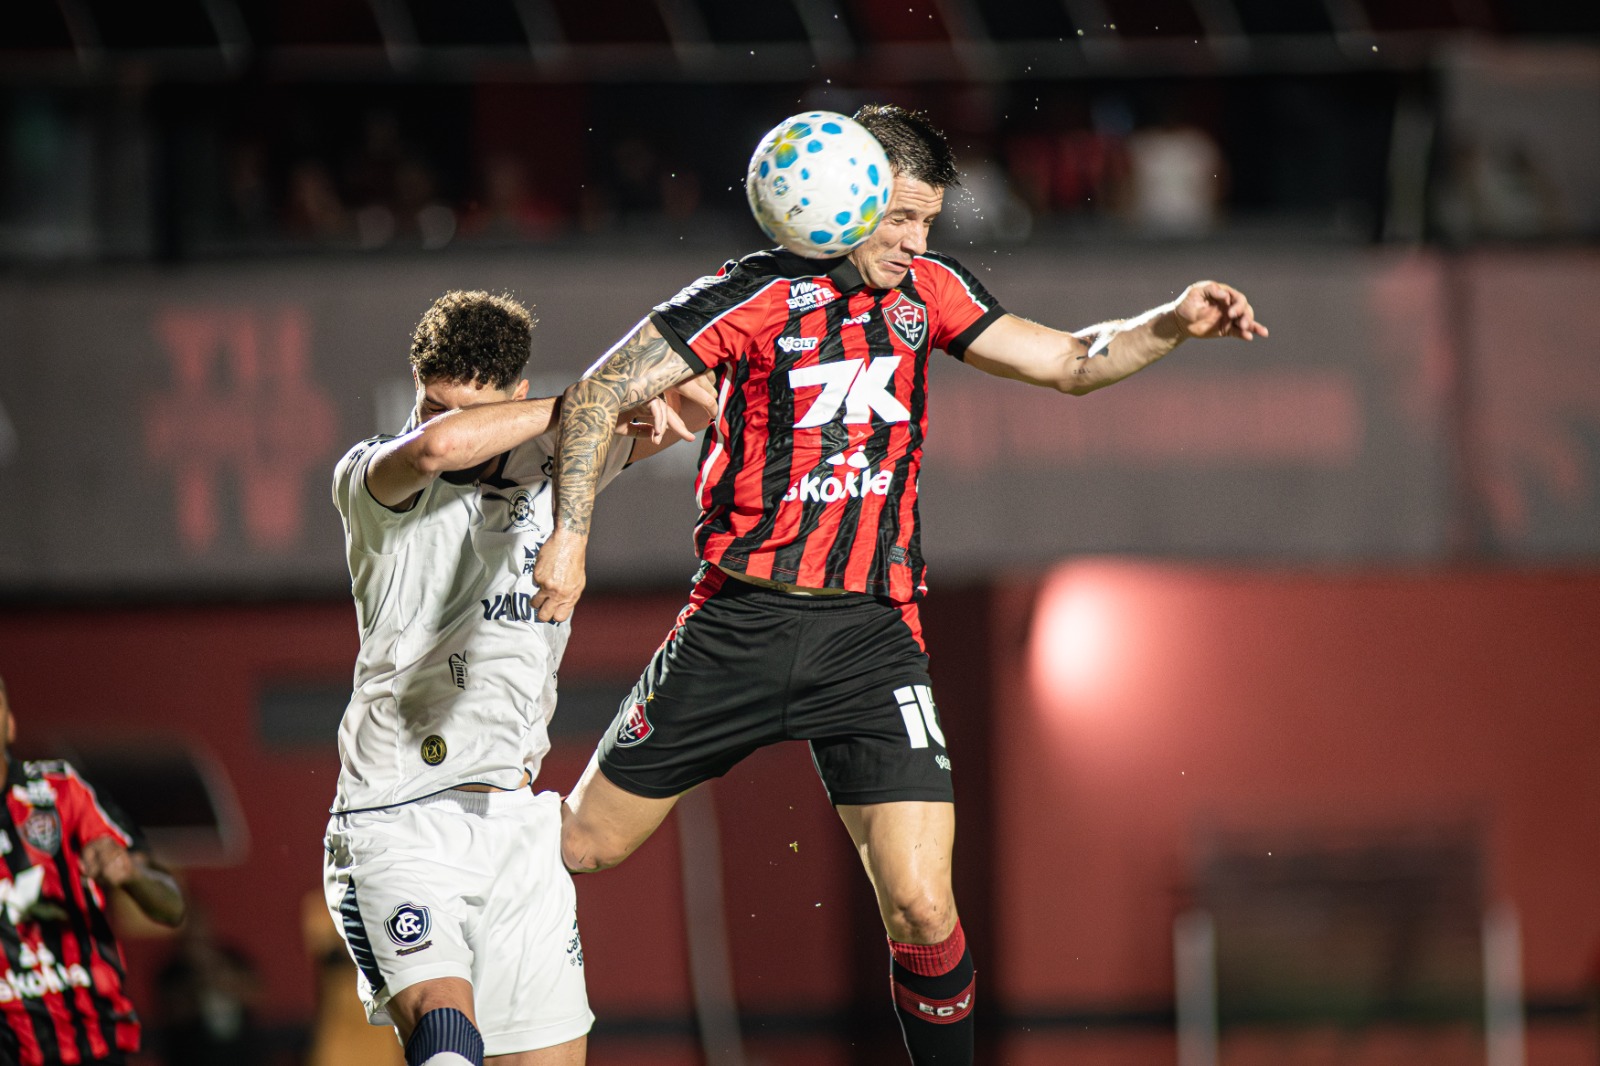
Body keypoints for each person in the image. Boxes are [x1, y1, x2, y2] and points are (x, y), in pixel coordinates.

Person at [531, 104, 1269, 1065]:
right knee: (581, 847)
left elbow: (1068, 360)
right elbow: (596, 392)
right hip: (736, 626)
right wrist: (570, 538)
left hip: (873, 638)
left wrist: (1168, 322)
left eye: (929, 221)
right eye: (903, 219)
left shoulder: (929, 290)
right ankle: (427, 864)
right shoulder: (749, 297)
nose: (918, 242)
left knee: (922, 905)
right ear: (840, 202)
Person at [323, 290, 713, 1066]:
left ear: (513, 395)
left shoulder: (555, 460)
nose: (442, 426)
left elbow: (695, 405)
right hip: (398, 819)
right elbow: (437, 450)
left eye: (469, 411)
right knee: (446, 1040)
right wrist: (588, 406)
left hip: (515, 822)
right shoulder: (373, 476)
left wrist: (641, 397)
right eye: (431, 405)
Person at [0, 672, 186, 1066]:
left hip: (91, 1044)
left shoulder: (63, 791)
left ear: (10, 724)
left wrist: (130, 874)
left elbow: (172, 907)